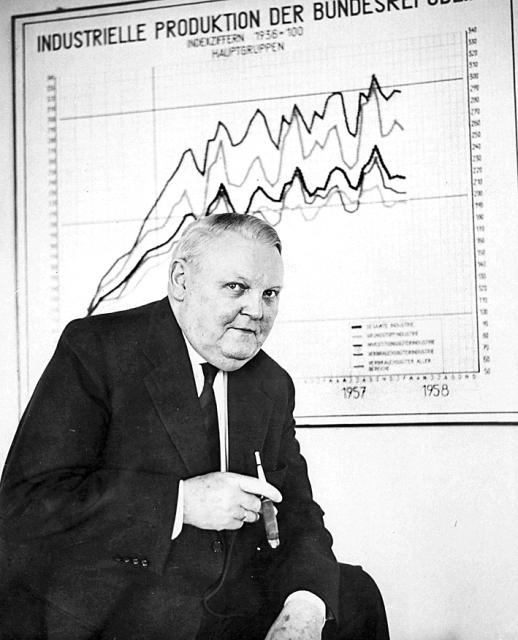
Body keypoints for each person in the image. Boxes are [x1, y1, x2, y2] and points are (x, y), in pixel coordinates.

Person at [0, 213, 389, 639]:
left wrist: (304, 606)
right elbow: (25, 505)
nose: (257, 311)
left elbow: (297, 511)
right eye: (236, 287)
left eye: (270, 294)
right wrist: (180, 503)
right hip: (120, 606)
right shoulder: (97, 348)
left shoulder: (272, 383)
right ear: (181, 282)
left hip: (223, 604)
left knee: (355, 595)